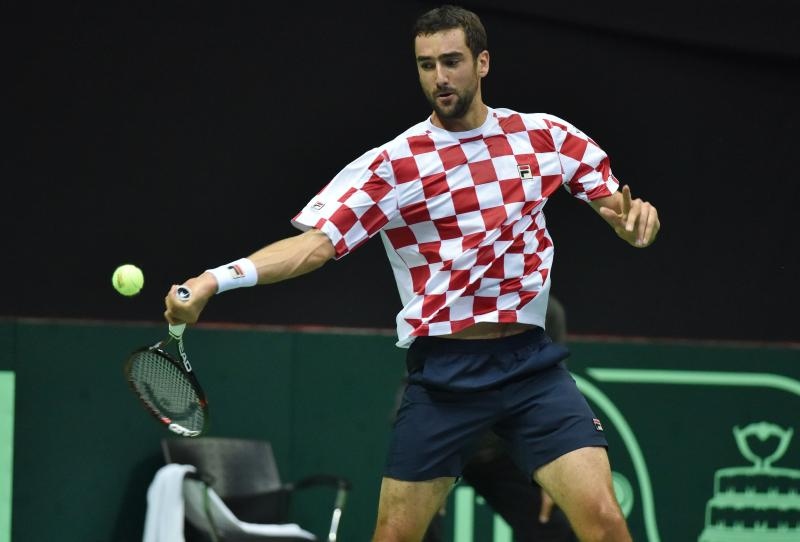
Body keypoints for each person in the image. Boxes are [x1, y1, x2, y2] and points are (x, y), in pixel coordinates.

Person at [164, 5, 659, 541]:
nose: (439, 77)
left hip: (530, 369)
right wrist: (215, 279)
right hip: (446, 377)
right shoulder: (395, 165)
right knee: (396, 535)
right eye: (427, 65)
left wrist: (636, 224)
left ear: (482, 62)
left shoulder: (544, 137)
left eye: (451, 61)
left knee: (605, 521)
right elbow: (314, 247)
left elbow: (619, 210)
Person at [412, 295, 576, 542]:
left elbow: (550, 391)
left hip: (499, 447)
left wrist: (554, 469)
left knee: (552, 525)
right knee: (414, 523)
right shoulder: (449, 299)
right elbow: (419, 384)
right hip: (439, 436)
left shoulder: (547, 310)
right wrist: (431, 462)